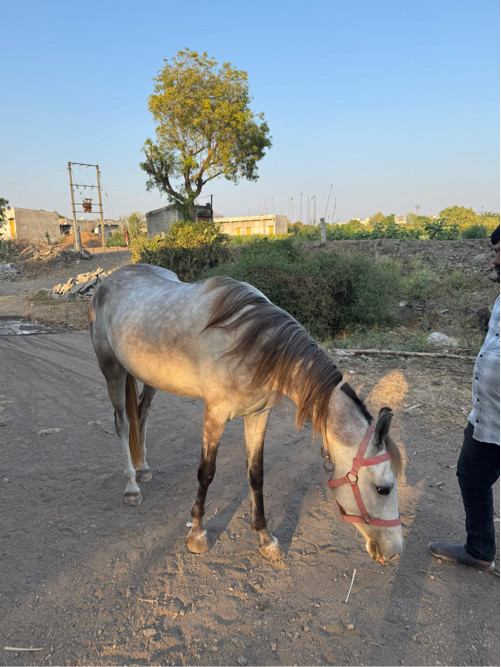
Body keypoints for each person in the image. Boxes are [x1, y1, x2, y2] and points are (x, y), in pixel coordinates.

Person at [429, 225, 500, 570]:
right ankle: (479, 549)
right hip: (489, 417)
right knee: (470, 473)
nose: (496, 259)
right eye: (496, 252)